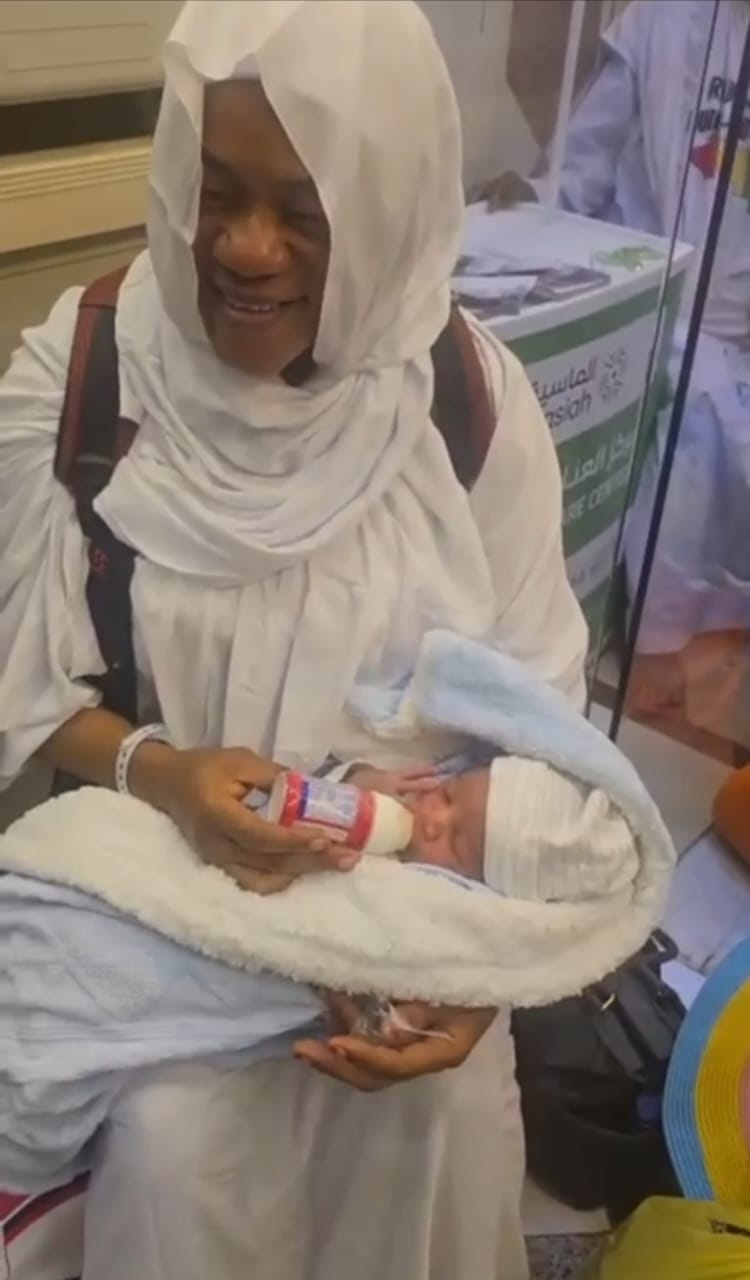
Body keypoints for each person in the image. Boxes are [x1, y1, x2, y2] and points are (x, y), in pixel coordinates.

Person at [0, 2, 587, 1278]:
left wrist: (476, 977)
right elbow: (21, 691)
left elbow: (544, 724)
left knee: (432, 1121)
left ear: (387, 209)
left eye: (306, 211)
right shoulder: (86, 379)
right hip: (162, 941)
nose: (244, 248)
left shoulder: (468, 409)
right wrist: (167, 772)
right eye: (217, 192)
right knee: (174, 1148)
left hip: (415, 937)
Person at [477, 0, 750, 726]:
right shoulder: (664, 20)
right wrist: (538, 198)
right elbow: (588, 154)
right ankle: (657, 653)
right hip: (653, 298)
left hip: (735, 338)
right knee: (693, 416)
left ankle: (699, 651)